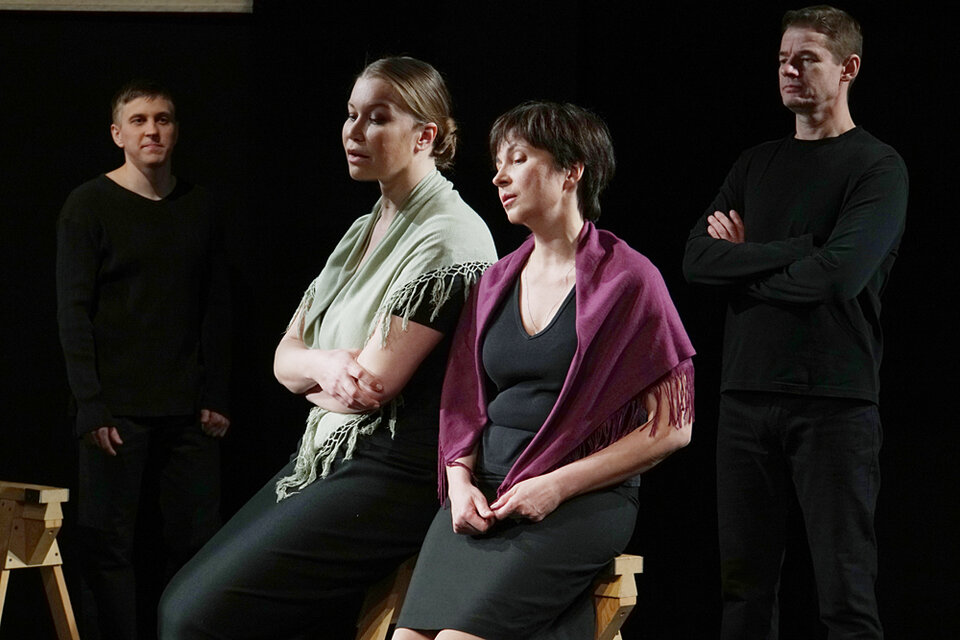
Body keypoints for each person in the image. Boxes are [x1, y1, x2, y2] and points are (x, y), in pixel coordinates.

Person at [158, 57, 497, 639]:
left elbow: (370, 387)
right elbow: (284, 357)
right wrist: (323, 364)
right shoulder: (362, 229)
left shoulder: (451, 235)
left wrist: (313, 373)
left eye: (377, 118)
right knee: (178, 604)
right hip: (329, 452)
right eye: (350, 114)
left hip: (395, 468)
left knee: (195, 618)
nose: (353, 131)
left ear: (425, 136)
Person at [393, 101, 696, 640]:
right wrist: (459, 484)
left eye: (518, 159)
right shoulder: (494, 282)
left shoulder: (629, 280)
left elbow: (674, 427)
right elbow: (462, 403)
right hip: (485, 493)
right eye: (497, 163)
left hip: (579, 499)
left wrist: (556, 486)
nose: (499, 176)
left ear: (571, 170)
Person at [682, 6, 907, 639]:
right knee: (743, 594)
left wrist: (743, 262)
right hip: (745, 398)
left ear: (848, 68)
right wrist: (797, 249)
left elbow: (838, 277)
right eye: (783, 59)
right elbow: (697, 260)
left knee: (845, 594)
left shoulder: (878, 167)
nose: (789, 70)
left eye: (806, 59)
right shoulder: (755, 164)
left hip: (834, 402)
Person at [56, 81, 231, 640]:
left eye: (163, 119)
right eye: (138, 120)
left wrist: (215, 394)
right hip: (115, 410)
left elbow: (216, 307)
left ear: (176, 131)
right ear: (118, 134)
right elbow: (72, 312)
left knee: (197, 543)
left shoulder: (200, 206)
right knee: (107, 545)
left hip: (188, 409)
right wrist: (90, 404)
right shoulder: (89, 205)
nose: (152, 130)